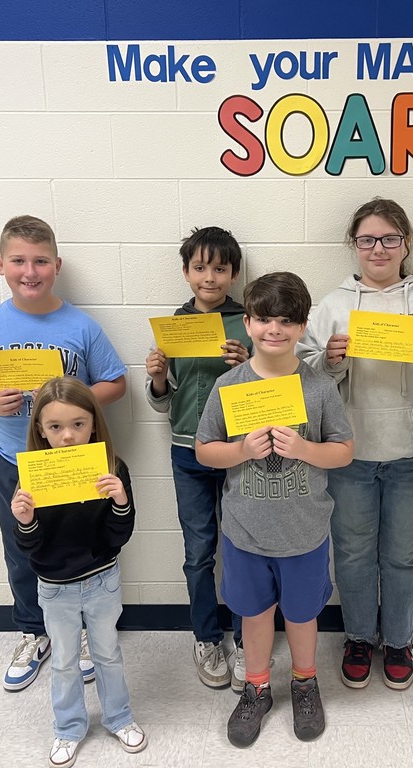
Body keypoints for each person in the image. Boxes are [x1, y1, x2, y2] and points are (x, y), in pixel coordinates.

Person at [0, 215, 127, 691]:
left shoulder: (80, 326)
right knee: (21, 547)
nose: (30, 271)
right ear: (0, 265)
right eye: (19, 261)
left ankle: (84, 630)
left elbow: (116, 383)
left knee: (84, 544)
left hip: (75, 462)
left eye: (41, 261)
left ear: (57, 265)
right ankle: (34, 631)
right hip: (13, 459)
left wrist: (75, 402)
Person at [298, 197, 413, 690]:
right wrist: (329, 362)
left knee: (403, 556)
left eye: (389, 239)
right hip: (348, 453)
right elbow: (303, 382)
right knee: (352, 554)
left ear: (406, 244)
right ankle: (357, 637)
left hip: (412, 453)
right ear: (353, 245)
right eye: (367, 239)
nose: (378, 248)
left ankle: (397, 639)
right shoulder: (332, 306)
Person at [195, 272, 354, 748]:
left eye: (286, 321)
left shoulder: (319, 386)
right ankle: (258, 688)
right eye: (264, 319)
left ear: (303, 326)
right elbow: (204, 449)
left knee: (303, 615)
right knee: (255, 614)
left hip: (305, 531)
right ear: (247, 323)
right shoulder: (229, 385)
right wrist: (241, 450)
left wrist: (304, 448)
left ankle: (305, 682)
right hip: (246, 531)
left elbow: (344, 451)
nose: (274, 330)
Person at [11, 377, 145, 766]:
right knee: (64, 661)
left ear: (93, 424)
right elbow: (29, 547)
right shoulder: (33, 479)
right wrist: (25, 521)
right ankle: (68, 728)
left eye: (78, 424)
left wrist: (120, 501)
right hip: (56, 587)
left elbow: (119, 536)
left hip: (102, 579)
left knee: (107, 653)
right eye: (55, 427)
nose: (67, 435)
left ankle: (119, 717)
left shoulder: (112, 469)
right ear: (40, 429)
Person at [145, 226, 251, 691]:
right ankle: (206, 638)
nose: (210, 277)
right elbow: (163, 401)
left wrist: (247, 365)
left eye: (220, 268)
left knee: (244, 548)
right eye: (200, 267)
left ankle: (247, 639)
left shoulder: (247, 320)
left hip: (237, 451)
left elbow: (269, 389)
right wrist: (157, 377)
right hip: (187, 452)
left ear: (234, 274)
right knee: (198, 552)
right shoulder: (175, 324)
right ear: (186, 272)